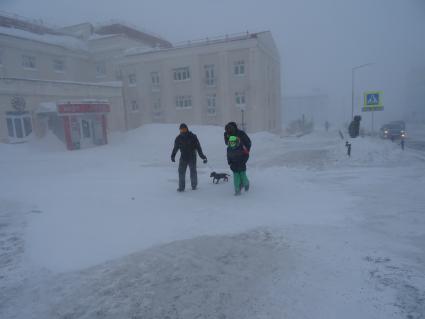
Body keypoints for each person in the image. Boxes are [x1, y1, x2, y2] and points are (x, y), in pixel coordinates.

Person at [171, 123, 207, 192]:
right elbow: (175, 148)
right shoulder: (178, 138)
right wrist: (173, 155)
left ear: (187, 129)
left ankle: (194, 185)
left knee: (193, 171)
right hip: (183, 157)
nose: (183, 130)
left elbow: (198, 147)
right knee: (181, 172)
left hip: (192, 157)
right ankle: (181, 187)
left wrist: (202, 156)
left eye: (184, 129)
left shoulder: (193, 136)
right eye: (181, 129)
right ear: (180, 130)